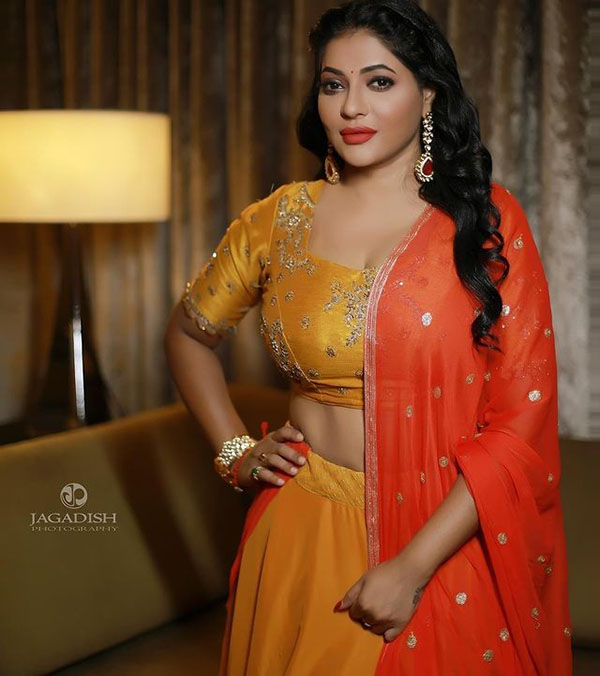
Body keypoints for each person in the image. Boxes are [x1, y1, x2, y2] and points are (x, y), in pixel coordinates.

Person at [164, 1, 573, 674]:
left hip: (436, 538)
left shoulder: (484, 224)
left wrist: (411, 567)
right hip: (297, 527)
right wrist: (235, 451)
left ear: (428, 95)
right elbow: (187, 335)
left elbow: (519, 424)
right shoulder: (277, 222)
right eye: (333, 84)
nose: (352, 106)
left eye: (379, 82)